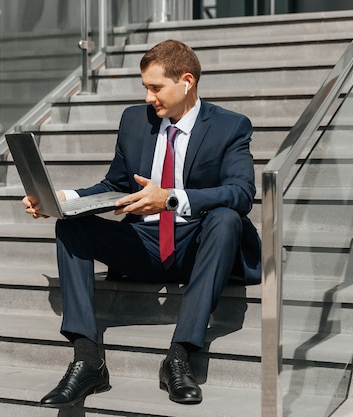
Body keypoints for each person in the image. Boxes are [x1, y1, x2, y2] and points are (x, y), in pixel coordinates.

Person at [22, 39, 261, 407]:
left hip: (199, 246)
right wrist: (62, 198)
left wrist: (171, 198)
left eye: (155, 87)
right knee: (71, 226)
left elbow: (241, 193)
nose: (148, 98)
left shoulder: (230, 127)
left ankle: (179, 356)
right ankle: (87, 360)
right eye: (145, 88)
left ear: (186, 82)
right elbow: (115, 185)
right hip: (144, 244)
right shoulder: (136, 120)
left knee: (227, 219)